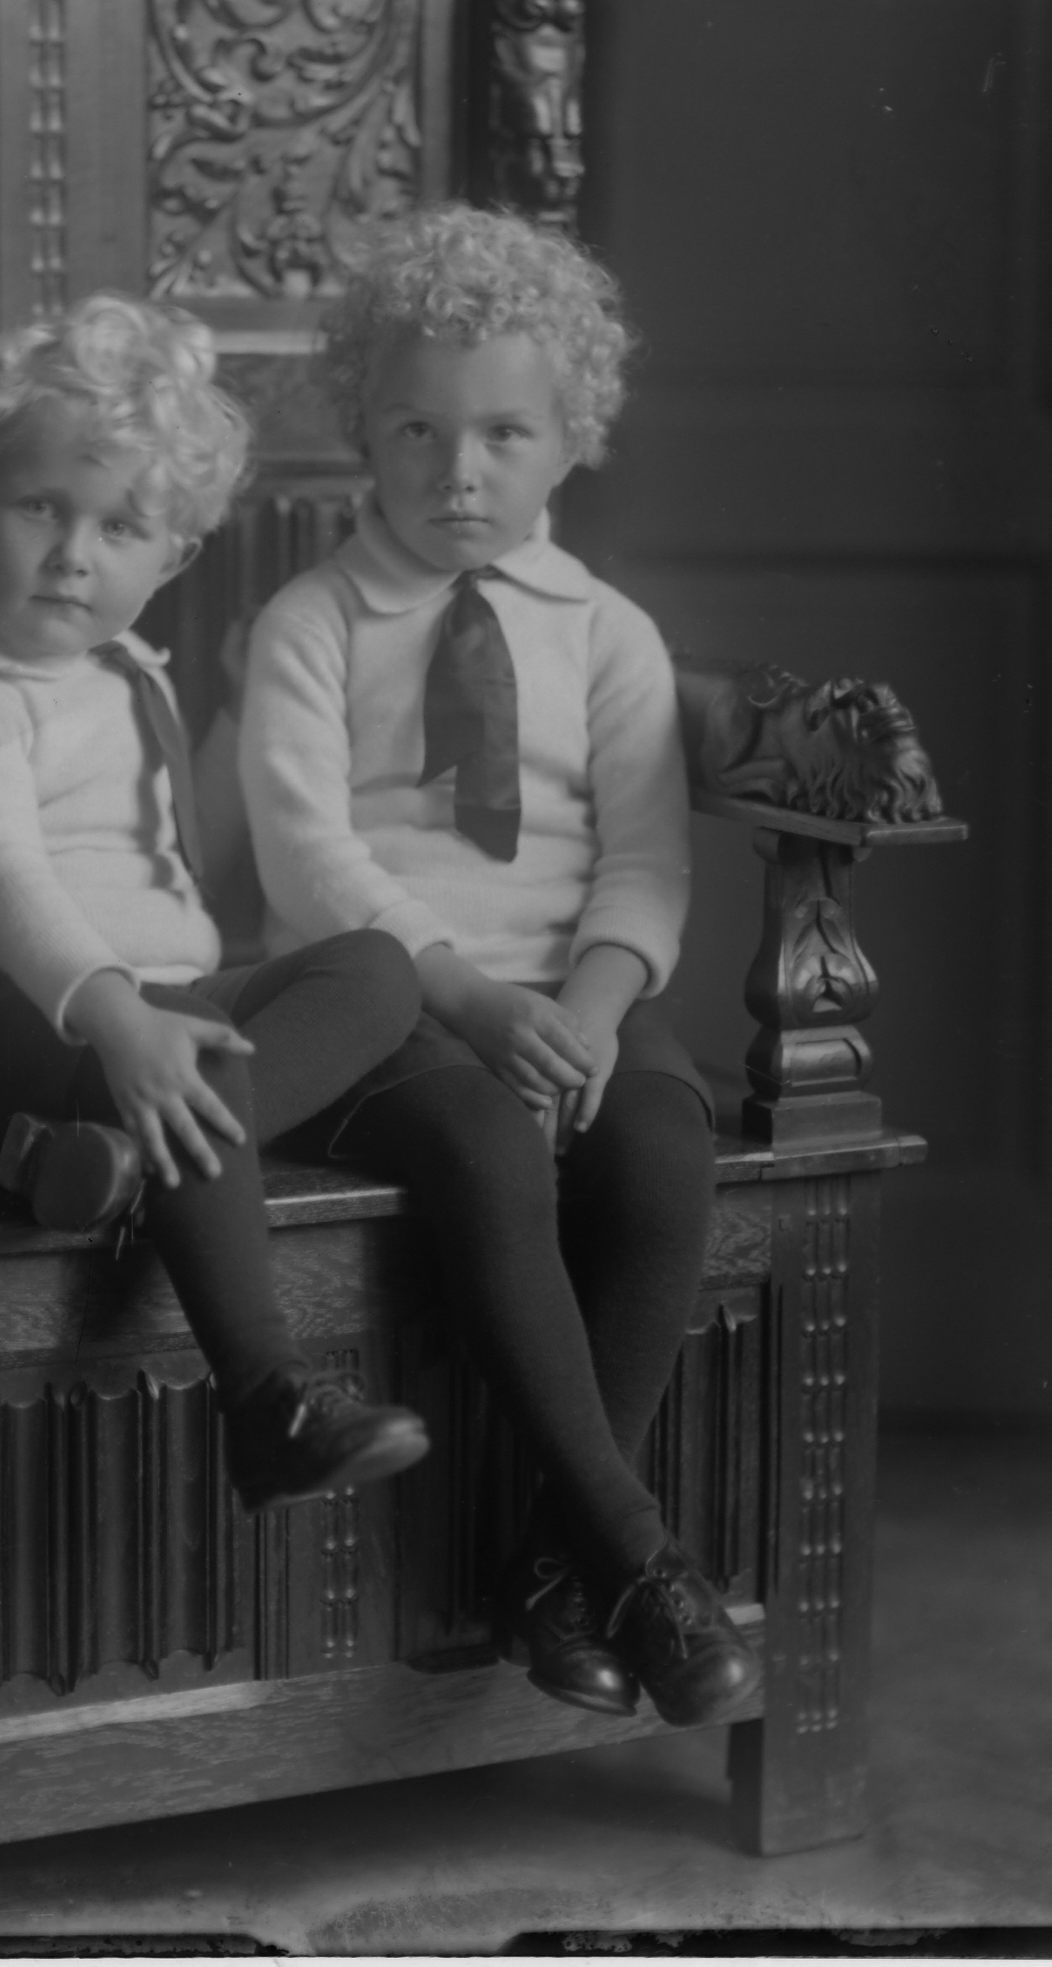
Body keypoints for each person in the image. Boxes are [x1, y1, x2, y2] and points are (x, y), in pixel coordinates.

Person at [239, 205, 760, 1728]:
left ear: (570, 438)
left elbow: (644, 858)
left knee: (659, 1145)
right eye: (417, 427)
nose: (456, 469)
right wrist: (465, 995)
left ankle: (549, 1566)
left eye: (503, 433)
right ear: (362, 426)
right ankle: (640, 1558)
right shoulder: (310, 624)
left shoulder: (608, 635)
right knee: (482, 1141)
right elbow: (305, 853)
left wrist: (589, 1012)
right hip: (385, 996)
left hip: (569, 989)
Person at [0, 293, 429, 1513]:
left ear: (172, 555)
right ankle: (269, 1402)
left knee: (378, 966)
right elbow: (0, 874)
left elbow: (184, 856)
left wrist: (232, 718)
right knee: (196, 1049)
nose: (73, 551)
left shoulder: (127, 673)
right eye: (38, 507)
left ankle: (129, 1160)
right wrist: (122, 1017)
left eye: (119, 525)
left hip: (145, 1002)